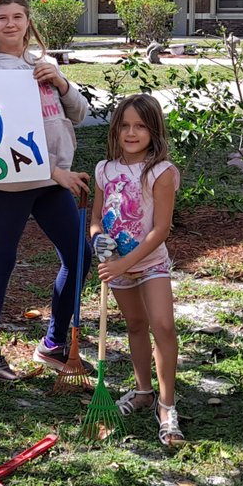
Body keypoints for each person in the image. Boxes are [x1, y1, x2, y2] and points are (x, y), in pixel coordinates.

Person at [0, 0, 92, 382]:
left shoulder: (42, 64)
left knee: (80, 257)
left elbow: (81, 114)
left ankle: (53, 343)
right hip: (12, 183)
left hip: (53, 178)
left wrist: (61, 80)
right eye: (2, 17)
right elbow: (2, 137)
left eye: (18, 16)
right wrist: (57, 174)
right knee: (3, 259)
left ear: (27, 20)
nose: (11, 23)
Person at [90, 93, 184, 447]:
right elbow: (96, 217)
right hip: (115, 265)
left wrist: (124, 264)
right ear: (116, 130)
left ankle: (166, 403)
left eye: (140, 126)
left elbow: (161, 228)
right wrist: (97, 238)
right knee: (134, 325)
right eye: (125, 125)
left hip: (149, 263)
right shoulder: (105, 169)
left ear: (153, 130)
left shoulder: (161, 171)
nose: (132, 133)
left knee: (163, 325)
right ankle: (143, 390)